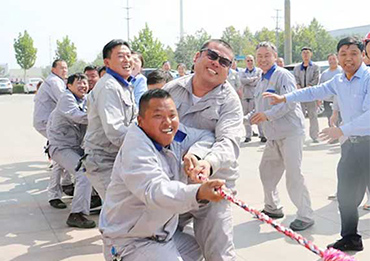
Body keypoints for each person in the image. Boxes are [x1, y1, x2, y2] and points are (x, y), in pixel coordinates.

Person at [263, 36, 370, 252]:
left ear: (363, 55)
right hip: (351, 146)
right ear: (338, 57)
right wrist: (286, 98)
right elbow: (313, 91)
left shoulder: (368, 78)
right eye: (344, 54)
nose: (348, 58)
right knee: (346, 196)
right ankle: (350, 237)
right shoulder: (339, 80)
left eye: (353, 54)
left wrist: (341, 130)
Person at [99, 89, 225, 260]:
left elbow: (206, 136)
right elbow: (156, 190)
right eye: (158, 116)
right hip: (130, 241)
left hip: (161, 235)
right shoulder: (136, 149)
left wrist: (194, 155)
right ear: (141, 121)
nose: (167, 123)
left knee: (197, 248)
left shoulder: (175, 134)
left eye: (172, 115)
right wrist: (198, 193)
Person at [164, 39, 244, 260]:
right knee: (156, 243)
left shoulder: (230, 101)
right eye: (212, 56)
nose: (216, 63)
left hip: (212, 189)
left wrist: (207, 163)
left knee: (218, 252)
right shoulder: (171, 90)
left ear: (229, 70)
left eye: (225, 62)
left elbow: (228, 142)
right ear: (196, 57)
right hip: (174, 185)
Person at [250, 41, 314, 232]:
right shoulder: (260, 78)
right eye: (259, 56)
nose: (262, 59)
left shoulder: (283, 75)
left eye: (266, 55)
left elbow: (290, 102)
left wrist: (266, 116)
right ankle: (273, 208)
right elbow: (259, 108)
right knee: (266, 171)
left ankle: (306, 215)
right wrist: (246, 118)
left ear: (274, 56)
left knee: (294, 175)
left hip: (291, 133)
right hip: (273, 134)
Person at [83, 39, 136, 201]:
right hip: (103, 161)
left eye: (129, 55)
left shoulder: (124, 85)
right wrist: (144, 143)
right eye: (120, 56)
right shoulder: (109, 87)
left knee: (124, 211)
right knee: (118, 211)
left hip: (117, 158)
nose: (127, 60)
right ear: (107, 62)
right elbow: (116, 132)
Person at [47, 73, 95, 228]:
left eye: (85, 83)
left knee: (96, 164)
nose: (83, 86)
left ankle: (91, 198)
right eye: (79, 83)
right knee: (84, 172)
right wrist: (102, 117)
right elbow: (79, 117)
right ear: (69, 86)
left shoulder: (85, 99)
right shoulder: (66, 98)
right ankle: (77, 214)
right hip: (61, 147)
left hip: (75, 147)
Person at [33, 59, 74, 209]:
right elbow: (67, 102)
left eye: (66, 67)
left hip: (52, 123)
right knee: (60, 155)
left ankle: (66, 184)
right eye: (61, 68)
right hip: (48, 123)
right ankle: (54, 194)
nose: (64, 70)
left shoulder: (56, 81)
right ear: (53, 69)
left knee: (65, 153)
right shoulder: (55, 82)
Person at [293, 47, 320, 143]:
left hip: (311, 95)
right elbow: (295, 79)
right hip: (300, 96)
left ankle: (315, 136)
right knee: (300, 116)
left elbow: (316, 79)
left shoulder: (315, 67)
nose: (305, 54)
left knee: (313, 116)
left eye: (307, 53)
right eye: (304, 53)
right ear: (301, 55)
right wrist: (299, 86)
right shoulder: (297, 68)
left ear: (311, 54)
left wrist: (308, 87)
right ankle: (300, 135)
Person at [239, 55, 265, 143]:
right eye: (248, 61)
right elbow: (242, 81)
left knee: (258, 115)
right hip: (245, 97)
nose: (250, 62)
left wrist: (248, 81)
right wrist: (252, 79)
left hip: (256, 97)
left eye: (251, 60)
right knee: (246, 117)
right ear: (245, 62)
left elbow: (258, 81)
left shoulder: (259, 71)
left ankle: (262, 135)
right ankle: (248, 135)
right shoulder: (242, 72)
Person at [318, 54, 342, 126]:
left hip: (340, 100)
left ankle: (342, 135)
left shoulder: (342, 71)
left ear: (337, 59)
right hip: (328, 101)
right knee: (330, 119)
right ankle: (333, 136)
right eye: (330, 59)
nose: (332, 61)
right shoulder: (324, 73)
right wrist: (319, 99)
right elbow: (321, 87)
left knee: (341, 119)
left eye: (334, 59)